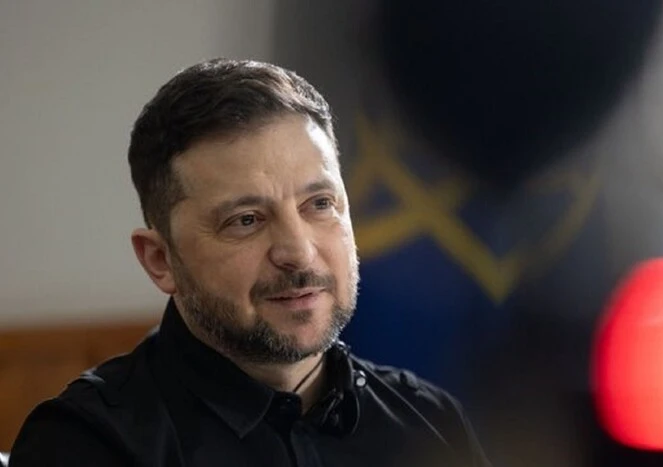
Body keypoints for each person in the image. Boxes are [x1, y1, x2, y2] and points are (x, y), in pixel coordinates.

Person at [9, 59, 490, 467]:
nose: (298, 251)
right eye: (245, 220)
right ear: (160, 260)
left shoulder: (431, 423)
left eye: (320, 204)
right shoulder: (85, 445)